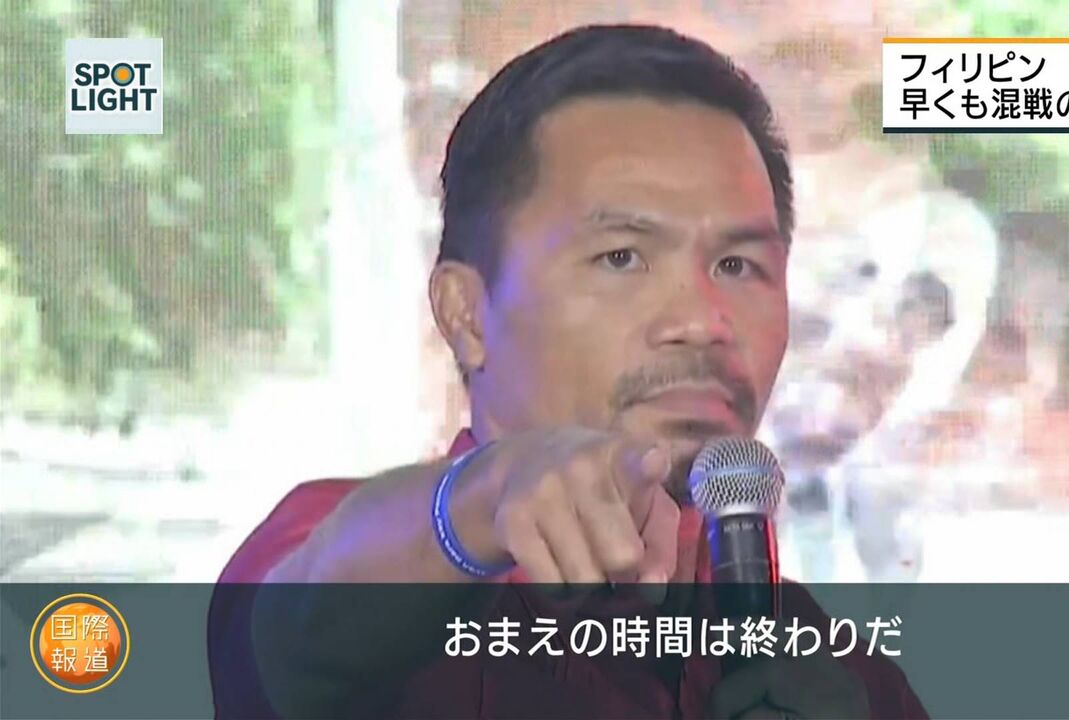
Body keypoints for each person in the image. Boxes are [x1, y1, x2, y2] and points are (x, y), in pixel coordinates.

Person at [209, 24, 928, 719]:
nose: (703, 320)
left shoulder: (839, 675)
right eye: (621, 257)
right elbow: (306, 624)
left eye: (737, 265)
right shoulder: (379, 559)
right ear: (465, 314)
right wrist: (484, 502)